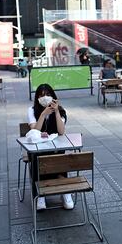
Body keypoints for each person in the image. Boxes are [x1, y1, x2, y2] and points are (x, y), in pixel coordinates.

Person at [27, 83, 73, 211]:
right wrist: (43, 114)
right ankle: (40, 193)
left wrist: (56, 111)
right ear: (37, 98)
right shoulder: (32, 110)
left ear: (53, 97)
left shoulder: (61, 111)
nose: (45, 98)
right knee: (38, 157)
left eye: (47, 95)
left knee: (58, 156)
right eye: (41, 96)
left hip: (56, 147)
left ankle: (65, 192)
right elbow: (34, 130)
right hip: (37, 148)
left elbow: (61, 131)